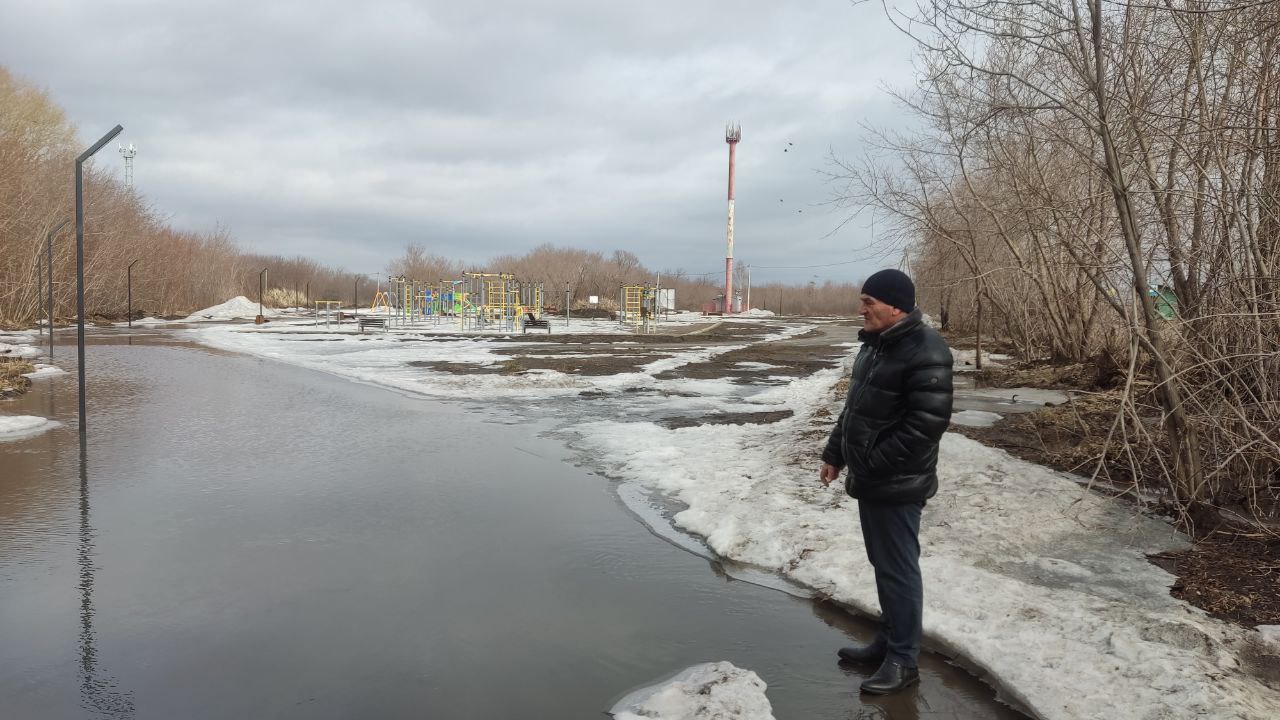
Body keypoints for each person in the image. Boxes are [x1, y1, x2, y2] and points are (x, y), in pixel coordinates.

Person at [819, 269, 953, 695]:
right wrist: (835, 453)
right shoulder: (876, 346)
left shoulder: (926, 350)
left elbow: (925, 426)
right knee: (885, 565)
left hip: (897, 482)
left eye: (869, 302)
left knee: (898, 569)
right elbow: (855, 408)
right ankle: (888, 640)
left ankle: (903, 660)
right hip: (873, 478)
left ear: (896, 305)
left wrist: (873, 462)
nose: (861, 309)